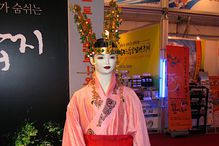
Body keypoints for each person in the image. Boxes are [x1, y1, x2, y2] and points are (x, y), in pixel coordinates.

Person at [62, 38, 151, 146]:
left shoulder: (129, 96)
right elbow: (73, 136)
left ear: (117, 59)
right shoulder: (79, 97)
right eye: (101, 57)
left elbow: (140, 134)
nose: (107, 62)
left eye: (112, 57)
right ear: (92, 60)